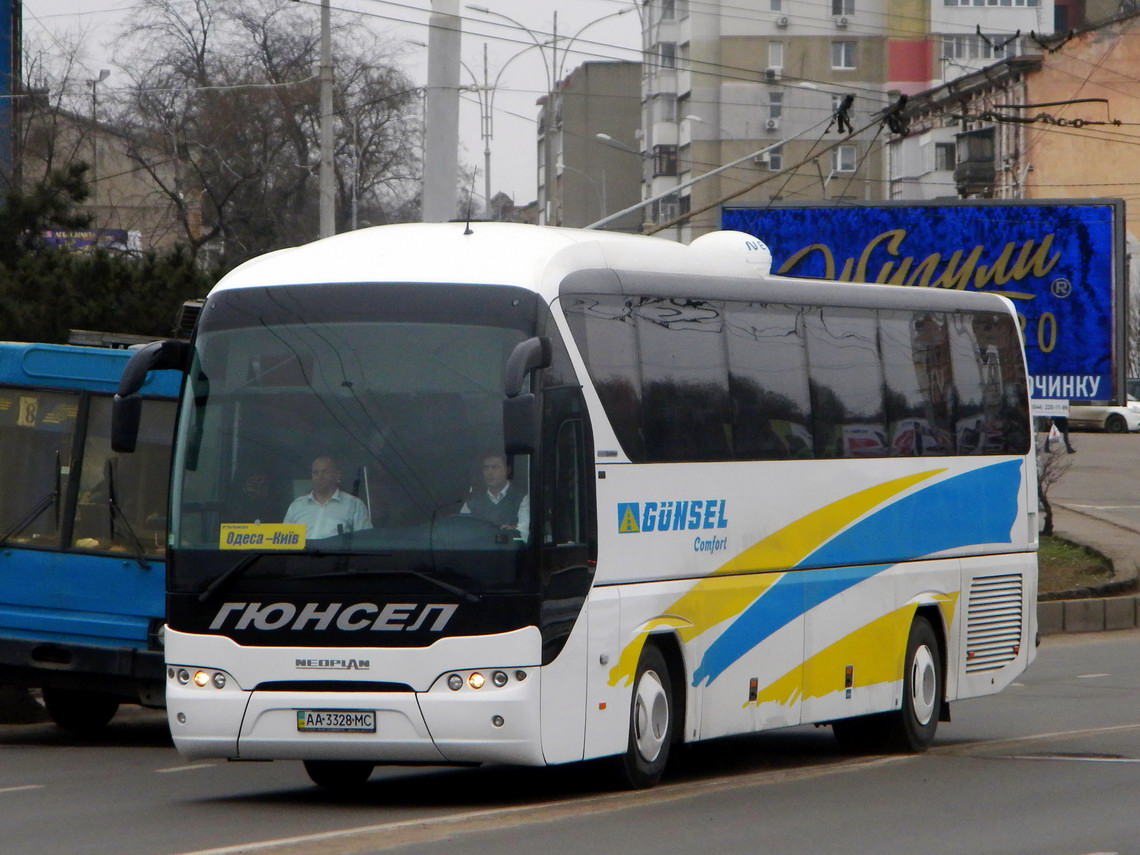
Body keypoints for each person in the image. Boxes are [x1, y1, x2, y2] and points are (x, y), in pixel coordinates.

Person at [284, 455, 372, 539]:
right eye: (316, 472)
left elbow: (364, 542)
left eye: (325, 472)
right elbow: (283, 542)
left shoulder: (354, 505)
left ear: (337, 475)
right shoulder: (296, 506)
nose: (320, 477)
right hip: (299, 555)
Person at [460, 451, 529, 539]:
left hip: (511, 551)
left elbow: (524, 532)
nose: (490, 472)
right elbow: (462, 530)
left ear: (507, 471)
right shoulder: (472, 500)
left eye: (495, 467)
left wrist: (513, 531)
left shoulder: (522, 498)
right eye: (486, 468)